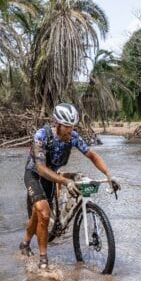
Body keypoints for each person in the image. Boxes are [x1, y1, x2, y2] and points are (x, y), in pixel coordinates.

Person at [21, 103, 121, 270]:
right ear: (57, 124)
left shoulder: (74, 137)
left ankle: (24, 243)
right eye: (67, 126)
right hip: (35, 175)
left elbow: (92, 155)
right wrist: (65, 181)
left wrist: (109, 175)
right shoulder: (42, 136)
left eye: (72, 126)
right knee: (44, 214)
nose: (70, 130)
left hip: (52, 177)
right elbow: (40, 167)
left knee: (37, 215)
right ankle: (43, 259)